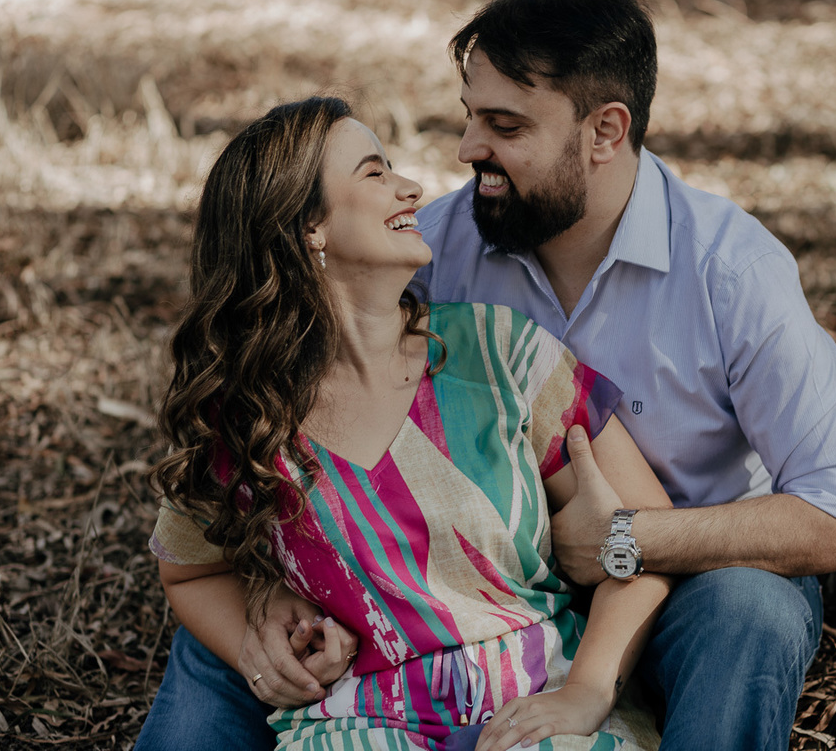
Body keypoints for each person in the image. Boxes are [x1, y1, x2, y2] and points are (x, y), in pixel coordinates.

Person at [137, 0, 836, 751]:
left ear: (605, 131)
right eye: (470, 116)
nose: (467, 150)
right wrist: (267, 601)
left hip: (681, 583)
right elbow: (319, 352)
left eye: (505, 125)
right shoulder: (436, 245)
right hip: (476, 595)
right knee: (230, 643)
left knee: (752, 609)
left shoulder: (729, 271)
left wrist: (628, 540)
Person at [138, 95, 673, 751]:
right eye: (373, 172)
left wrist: (587, 691)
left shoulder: (503, 353)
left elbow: (652, 532)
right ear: (309, 226)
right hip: (353, 727)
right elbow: (188, 569)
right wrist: (256, 640)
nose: (411, 187)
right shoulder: (249, 419)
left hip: (536, 706)